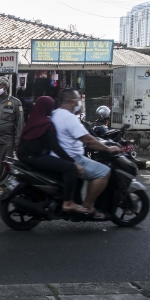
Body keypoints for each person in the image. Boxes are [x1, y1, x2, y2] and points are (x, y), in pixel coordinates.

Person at [51, 88, 122, 219]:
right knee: (104, 171)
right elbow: (88, 140)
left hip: (58, 156)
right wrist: (108, 149)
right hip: (73, 158)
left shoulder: (55, 113)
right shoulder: (69, 117)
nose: (80, 103)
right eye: (78, 100)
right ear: (72, 102)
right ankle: (87, 206)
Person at [16, 96, 85, 213]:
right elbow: (56, 148)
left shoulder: (32, 121)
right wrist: (73, 162)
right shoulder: (47, 125)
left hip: (24, 157)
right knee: (71, 169)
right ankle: (68, 202)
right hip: (35, 158)